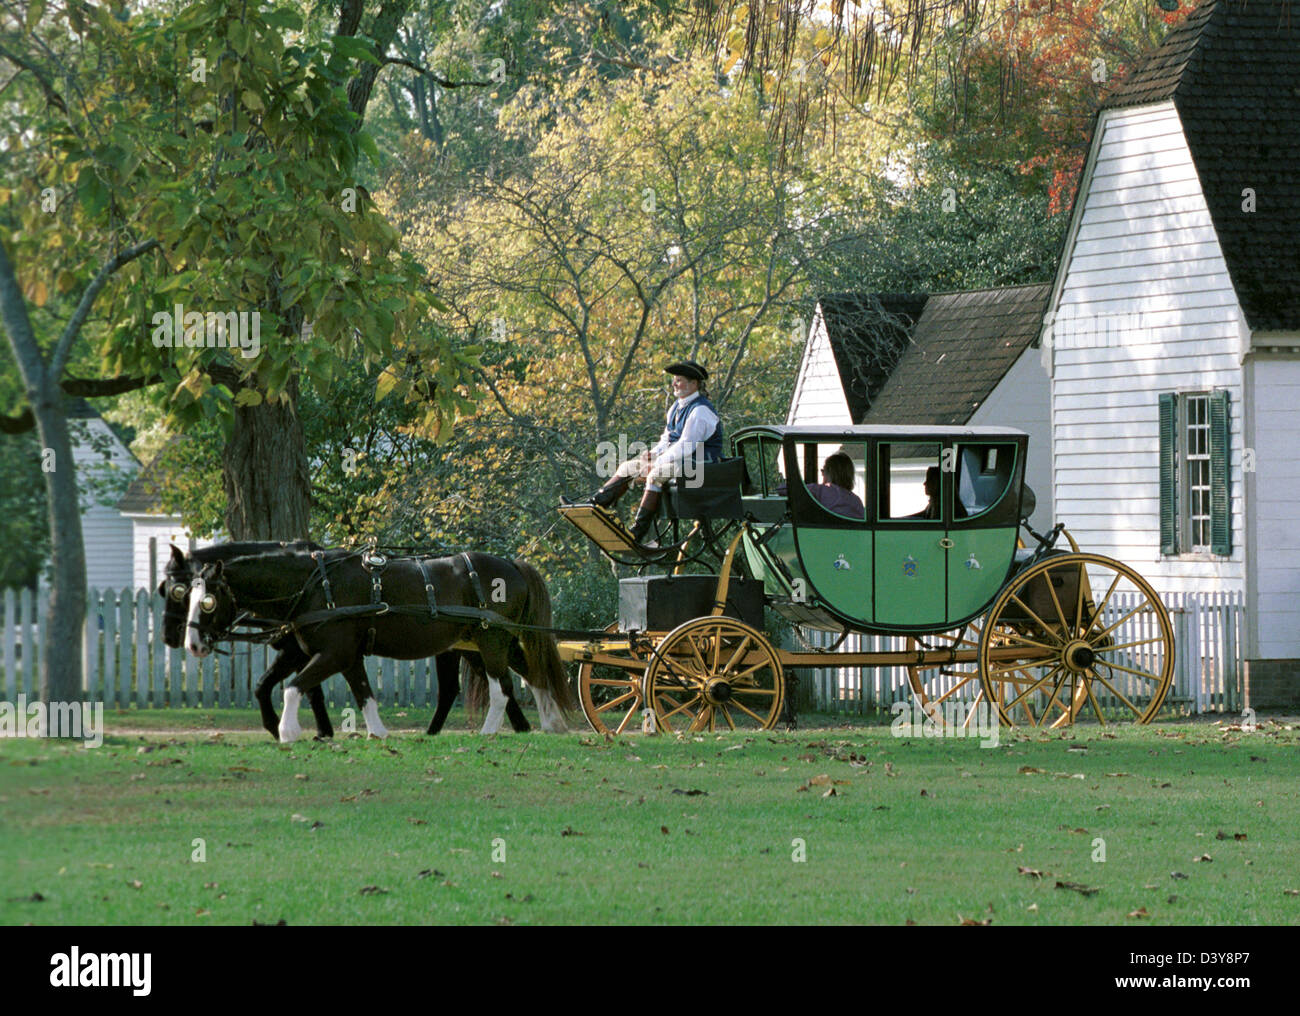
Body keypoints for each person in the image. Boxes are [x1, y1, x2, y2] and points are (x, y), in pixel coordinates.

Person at [567, 360, 724, 544]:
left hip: (700, 467)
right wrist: (653, 454)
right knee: (627, 468)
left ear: (694, 384)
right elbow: (667, 439)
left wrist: (656, 463)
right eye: (674, 380)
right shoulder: (676, 407)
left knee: (655, 475)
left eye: (679, 380)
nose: (674, 384)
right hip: (680, 461)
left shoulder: (700, 411)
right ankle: (594, 505)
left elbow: (685, 446)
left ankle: (637, 532)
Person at [778, 452, 864, 519]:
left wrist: (802, 484)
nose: (822, 474)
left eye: (823, 471)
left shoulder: (820, 491)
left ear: (830, 472)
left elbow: (782, 489)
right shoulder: (856, 501)